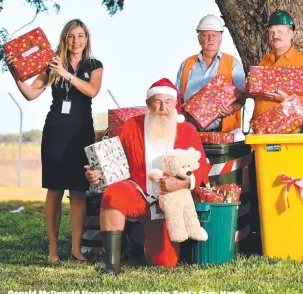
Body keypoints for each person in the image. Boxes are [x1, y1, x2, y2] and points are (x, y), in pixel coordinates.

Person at [85, 78, 210, 275]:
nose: (163, 107)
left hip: (170, 202)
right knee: (113, 194)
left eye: (168, 102)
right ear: (148, 104)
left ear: (175, 104)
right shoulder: (131, 126)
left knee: (164, 262)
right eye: (157, 101)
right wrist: (98, 175)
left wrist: (182, 183)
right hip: (138, 192)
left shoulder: (187, 130)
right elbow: (115, 164)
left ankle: (140, 244)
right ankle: (111, 265)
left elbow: (202, 167)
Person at [5, 19, 103, 262]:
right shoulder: (51, 64)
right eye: (71, 36)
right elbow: (30, 94)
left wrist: (66, 75)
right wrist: (15, 72)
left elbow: (92, 91)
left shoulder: (94, 65)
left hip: (81, 132)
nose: (76, 41)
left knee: (79, 191)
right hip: (55, 132)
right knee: (55, 190)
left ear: (86, 39)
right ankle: (53, 250)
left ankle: (76, 249)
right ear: (64, 39)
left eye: (80, 36)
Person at [176, 14, 246, 132]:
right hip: (190, 130)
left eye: (214, 35)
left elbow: (243, 96)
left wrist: (232, 108)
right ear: (199, 38)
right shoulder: (187, 64)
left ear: (221, 38)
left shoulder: (232, 63)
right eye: (206, 35)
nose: (211, 39)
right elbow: (177, 98)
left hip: (223, 132)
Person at [253, 10, 303, 119]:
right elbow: (256, 93)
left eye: (280, 32)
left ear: (291, 33)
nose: (275, 36)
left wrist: (286, 99)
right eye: (272, 32)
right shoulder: (265, 61)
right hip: (261, 129)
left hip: (286, 131)